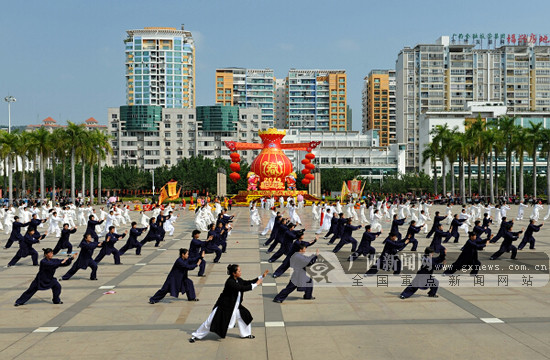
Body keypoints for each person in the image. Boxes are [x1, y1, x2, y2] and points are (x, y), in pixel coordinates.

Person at [189, 265, 269, 342]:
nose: (240, 272)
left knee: (245, 316)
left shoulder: (238, 280)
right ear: (234, 273)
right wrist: (256, 284)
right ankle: (195, 336)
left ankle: (245, 334)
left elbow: (247, 283)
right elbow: (242, 288)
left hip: (235, 306)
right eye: (239, 271)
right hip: (224, 307)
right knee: (210, 322)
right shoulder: (230, 282)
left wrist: (261, 277)